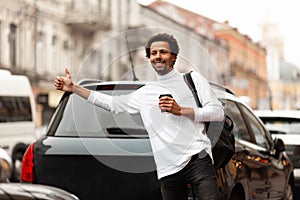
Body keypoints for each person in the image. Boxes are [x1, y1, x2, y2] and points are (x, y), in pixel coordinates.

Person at [54, 33, 224, 200]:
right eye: (153, 53)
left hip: (197, 159)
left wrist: (182, 110)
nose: (158, 56)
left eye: (163, 52)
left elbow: (218, 112)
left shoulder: (192, 80)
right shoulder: (145, 94)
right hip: (168, 168)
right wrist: (75, 88)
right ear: (149, 59)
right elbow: (112, 104)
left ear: (174, 57)